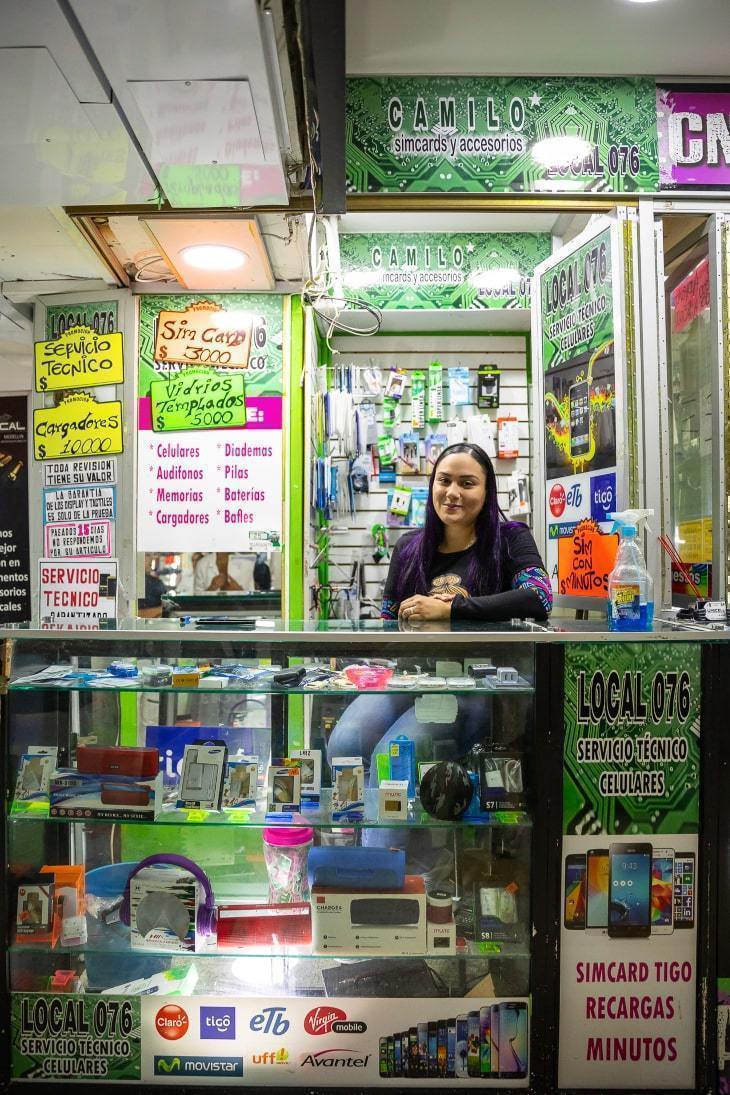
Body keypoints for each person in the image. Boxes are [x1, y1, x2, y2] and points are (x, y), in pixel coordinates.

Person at [326, 443, 552, 781]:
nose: (452, 492)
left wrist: (450, 609)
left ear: (487, 490)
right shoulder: (409, 548)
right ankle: (362, 826)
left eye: (467, 483)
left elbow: (539, 597)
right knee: (344, 744)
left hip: (475, 688)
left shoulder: (510, 538)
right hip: (411, 679)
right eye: (444, 481)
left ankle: (388, 830)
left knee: (394, 759)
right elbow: (388, 622)